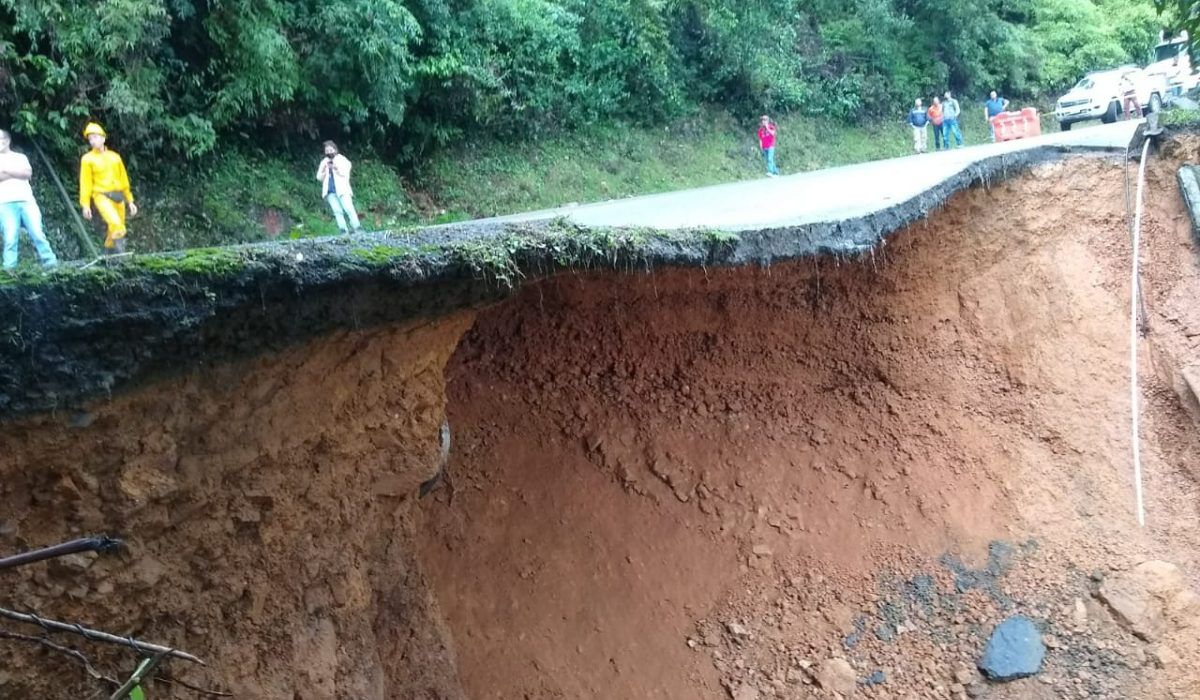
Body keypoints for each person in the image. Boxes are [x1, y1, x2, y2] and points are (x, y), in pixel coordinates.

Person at [0, 129, 57, 271]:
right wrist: (15, 173)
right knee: (10, 237)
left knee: (37, 232)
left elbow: (27, 174)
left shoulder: (20, 157)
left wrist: (7, 172)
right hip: (4, 202)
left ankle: (50, 262)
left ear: (7, 140)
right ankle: (9, 268)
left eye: (1, 139)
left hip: (26, 200)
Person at [79, 122, 137, 254]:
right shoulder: (87, 159)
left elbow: (124, 180)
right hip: (101, 195)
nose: (92, 141)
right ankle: (121, 255)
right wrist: (85, 205)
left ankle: (106, 255)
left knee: (114, 230)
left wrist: (130, 201)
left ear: (103, 138)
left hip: (118, 196)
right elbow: (85, 183)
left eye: (95, 137)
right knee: (117, 225)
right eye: (90, 139)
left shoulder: (115, 157)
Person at [316, 141, 363, 234]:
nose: (329, 152)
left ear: (335, 149)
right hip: (330, 191)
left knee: (349, 208)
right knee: (337, 211)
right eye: (327, 150)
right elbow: (318, 177)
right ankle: (343, 229)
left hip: (342, 190)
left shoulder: (342, 159)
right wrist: (325, 170)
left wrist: (336, 168)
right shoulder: (324, 162)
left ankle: (357, 227)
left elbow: (346, 173)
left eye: (331, 149)